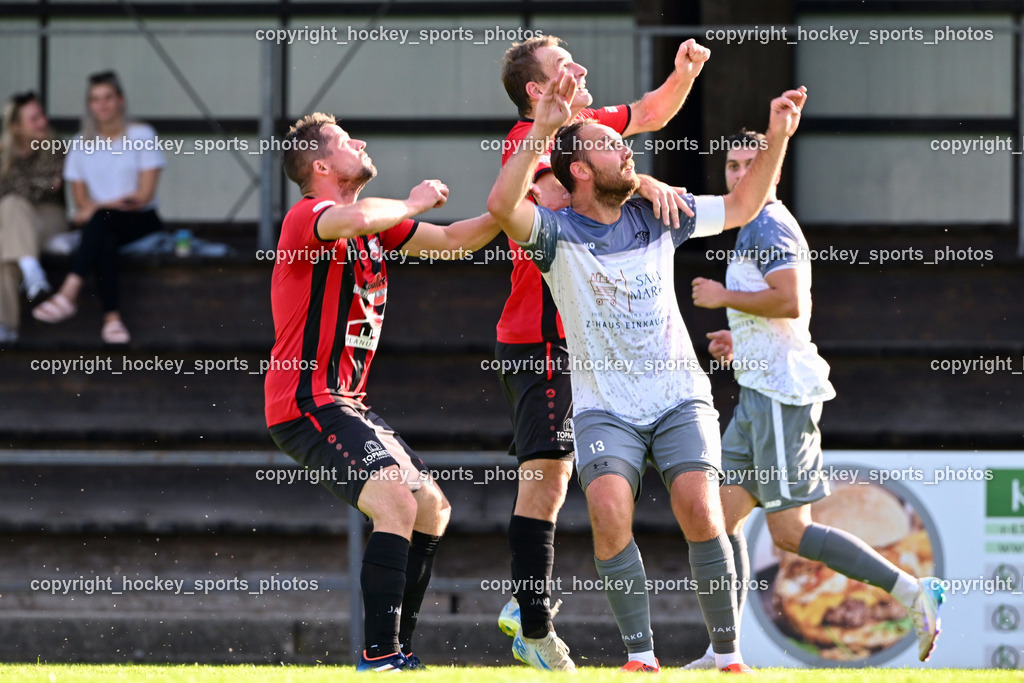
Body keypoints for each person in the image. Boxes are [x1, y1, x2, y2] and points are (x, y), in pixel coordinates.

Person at [487, 71, 807, 673]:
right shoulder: (553, 233)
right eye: (610, 145)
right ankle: (641, 657)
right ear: (579, 169)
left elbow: (743, 205)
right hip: (604, 406)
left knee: (700, 508)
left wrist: (779, 134)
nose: (625, 148)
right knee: (608, 512)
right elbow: (502, 205)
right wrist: (545, 130)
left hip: (678, 395)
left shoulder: (661, 212)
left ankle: (727, 657)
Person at [683, 129, 945, 668]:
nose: (737, 176)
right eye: (731, 167)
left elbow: (789, 299)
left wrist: (721, 297)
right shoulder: (750, 223)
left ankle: (912, 591)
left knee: (791, 533)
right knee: (720, 521)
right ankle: (724, 653)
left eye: (748, 167)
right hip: (757, 393)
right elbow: (779, 312)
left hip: (783, 398)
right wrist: (741, 337)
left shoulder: (769, 222)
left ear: (772, 172)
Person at [492, 35, 710, 672]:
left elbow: (651, 114)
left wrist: (685, 72)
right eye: (565, 67)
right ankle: (529, 616)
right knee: (548, 476)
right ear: (538, 91)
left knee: (552, 474)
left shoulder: (584, 130)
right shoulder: (527, 141)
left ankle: (527, 607)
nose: (581, 69)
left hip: (572, 341)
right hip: (544, 337)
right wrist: (639, 179)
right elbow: (559, 195)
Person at [265, 112, 502, 672]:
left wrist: (514, 207)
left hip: (346, 402)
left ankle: (399, 653)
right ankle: (380, 657)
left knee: (432, 509)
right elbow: (362, 217)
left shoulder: (368, 223)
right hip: (306, 400)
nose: (362, 143)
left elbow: (452, 241)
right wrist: (415, 201)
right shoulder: (309, 216)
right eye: (348, 141)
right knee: (396, 497)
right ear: (321, 165)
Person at [33, 70, 164, 344]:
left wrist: (99, 206)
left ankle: (68, 293)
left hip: (140, 219)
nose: (102, 104)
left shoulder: (142, 134)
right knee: (104, 235)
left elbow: (142, 195)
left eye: (108, 97)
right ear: (89, 105)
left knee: (101, 220)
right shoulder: (80, 144)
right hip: (101, 223)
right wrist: (101, 208)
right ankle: (112, 320)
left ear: (121, 100)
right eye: (95, 99)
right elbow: (80, 203)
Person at [0, 91, 68, 344]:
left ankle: (6, 326)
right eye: (34, 118)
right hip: (14, 220)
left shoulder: (55, 146)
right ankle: (31, 269)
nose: (43, 121)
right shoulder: (4, 154)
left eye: (42, 115)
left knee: (11, 213)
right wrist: (29, 185)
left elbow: (46, 189)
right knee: (11, 213)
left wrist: (18, 186)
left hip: (49, 218)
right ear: (16, 127)